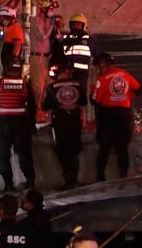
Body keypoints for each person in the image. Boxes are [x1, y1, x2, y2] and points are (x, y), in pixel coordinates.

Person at [90, 53, 142, 180]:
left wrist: (93, 87)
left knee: (104, 146)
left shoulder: (102, 79)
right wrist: (126, 96)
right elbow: (138, 89)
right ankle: (123, 176)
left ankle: (100, 177)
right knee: (122, 146)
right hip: (124, 115)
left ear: (101, 65)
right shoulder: (125, 74)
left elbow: (95, 100)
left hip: (108, 115)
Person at [0, 57, 36, 192]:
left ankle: (9, 184)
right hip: (20, 125)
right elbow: (31, 106)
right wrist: (30, 124)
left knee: (3, 156)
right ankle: (30, 182)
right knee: (24, 155)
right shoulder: (25, 84)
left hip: (5, 125)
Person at [41, 62, 87, 190]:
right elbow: (83, 102)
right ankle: (73, 179)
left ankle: (68, 181)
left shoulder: (52, 87)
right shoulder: (78, 84)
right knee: (74, 151)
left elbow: (45, 106)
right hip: (75, 122)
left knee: (63, 152)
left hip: (60, 123)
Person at [30, 0, 60, 113]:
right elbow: (42, 36)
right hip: (37, 56)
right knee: (38, 87)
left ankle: (48, 111)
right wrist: (52, 25)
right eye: (50, 8)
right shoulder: (35, 20)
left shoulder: (49, 21)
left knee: (50, 84)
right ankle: (37, 112)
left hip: (47, 57)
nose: (51, 11)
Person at [0, 5, 24, 71]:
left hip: (11, 65)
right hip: (7, 63)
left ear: (7, 17)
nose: (0, 20)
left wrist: (13, 60)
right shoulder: (7, 28)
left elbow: (18, 44)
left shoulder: (15, 27)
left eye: (1, 18)